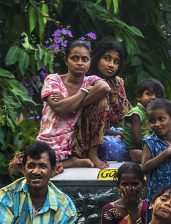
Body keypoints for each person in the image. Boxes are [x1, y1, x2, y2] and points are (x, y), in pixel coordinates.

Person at [8, 40, 110, 177]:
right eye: (75, 58)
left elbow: (105, 88)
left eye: (84, 59)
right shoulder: (53, 80)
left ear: (90, 61)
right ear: (66, 60)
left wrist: (70, 105)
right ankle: (71, 162)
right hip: (51, 139)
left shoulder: (91, 80)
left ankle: (90, 154)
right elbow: (59, 109)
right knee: (15, 166)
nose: (80, 63)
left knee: (102, 100)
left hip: (77, 141)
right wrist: (83, 92)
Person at [71, 37, 131, 168]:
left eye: (116, 61)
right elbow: (83, 120)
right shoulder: (85, 80)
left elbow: (124, 115)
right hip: (83, 137)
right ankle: (93, 153)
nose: (111, 65)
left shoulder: (118, 82)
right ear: (97, 58)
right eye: (107, 58)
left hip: (113, 134)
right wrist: (115, 134)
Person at [123, 78, 165, 163]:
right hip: (135, 149)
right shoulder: (136, 113)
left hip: (148, 146)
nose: (153, 98)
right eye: (148, 94)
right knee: (154, 157)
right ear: (139, 97)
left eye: (158, 96)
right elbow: (137, 140)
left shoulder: (152, 113)